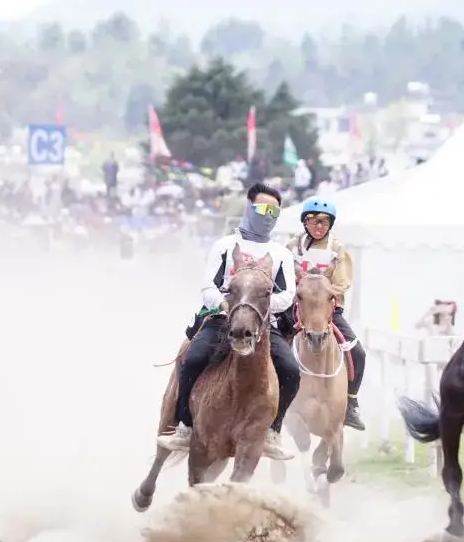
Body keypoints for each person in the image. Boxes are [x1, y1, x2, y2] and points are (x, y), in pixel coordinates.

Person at [157, 182, 299, 460]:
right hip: (222, 319)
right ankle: (185, 424)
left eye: (275, 210)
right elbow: (208, 286)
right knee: (193, 357)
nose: (268, 214)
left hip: (262, 325)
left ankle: (273, 430)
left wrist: (261, 308)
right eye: (263, 208)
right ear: (249, 207)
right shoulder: (224, 245)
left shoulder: (282, 254)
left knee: (291, 370)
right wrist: (226, 305)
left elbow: (289, 294)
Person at [280, 197, 366, 431]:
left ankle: (351, 403)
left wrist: (320, 288)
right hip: (295, 307)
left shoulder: (337, 250)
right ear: (304, 222)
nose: (319, 225)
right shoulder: (290, 248)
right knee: (271, 347)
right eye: (313, 220)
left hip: (327, 308)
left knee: (357, 351)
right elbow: (281, 276)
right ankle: (271, 402)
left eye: (325, 222)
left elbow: (342, 283)